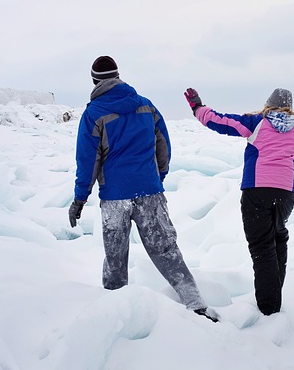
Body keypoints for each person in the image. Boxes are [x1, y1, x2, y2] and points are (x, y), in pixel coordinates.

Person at [69, 56, 218, 322]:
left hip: (115, 198)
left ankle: (113, 316)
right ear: (118, 76)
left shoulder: (94, 114)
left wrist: (80, 198)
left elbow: (88, 160)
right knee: (166, 251)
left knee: (115, 259)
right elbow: (163, 145)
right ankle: (196, 305)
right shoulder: (146, 106)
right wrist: (157, 177)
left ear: (94, 80)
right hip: (149, 192)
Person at [184, 87, 294, 316]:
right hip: (285, 195)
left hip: (257, 191)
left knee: (262, 248)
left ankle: (268, 308)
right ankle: (274, 297)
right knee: (278, 239)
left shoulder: (257, 122)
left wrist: (197, 107)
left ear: (268, 104)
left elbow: (220, 122)